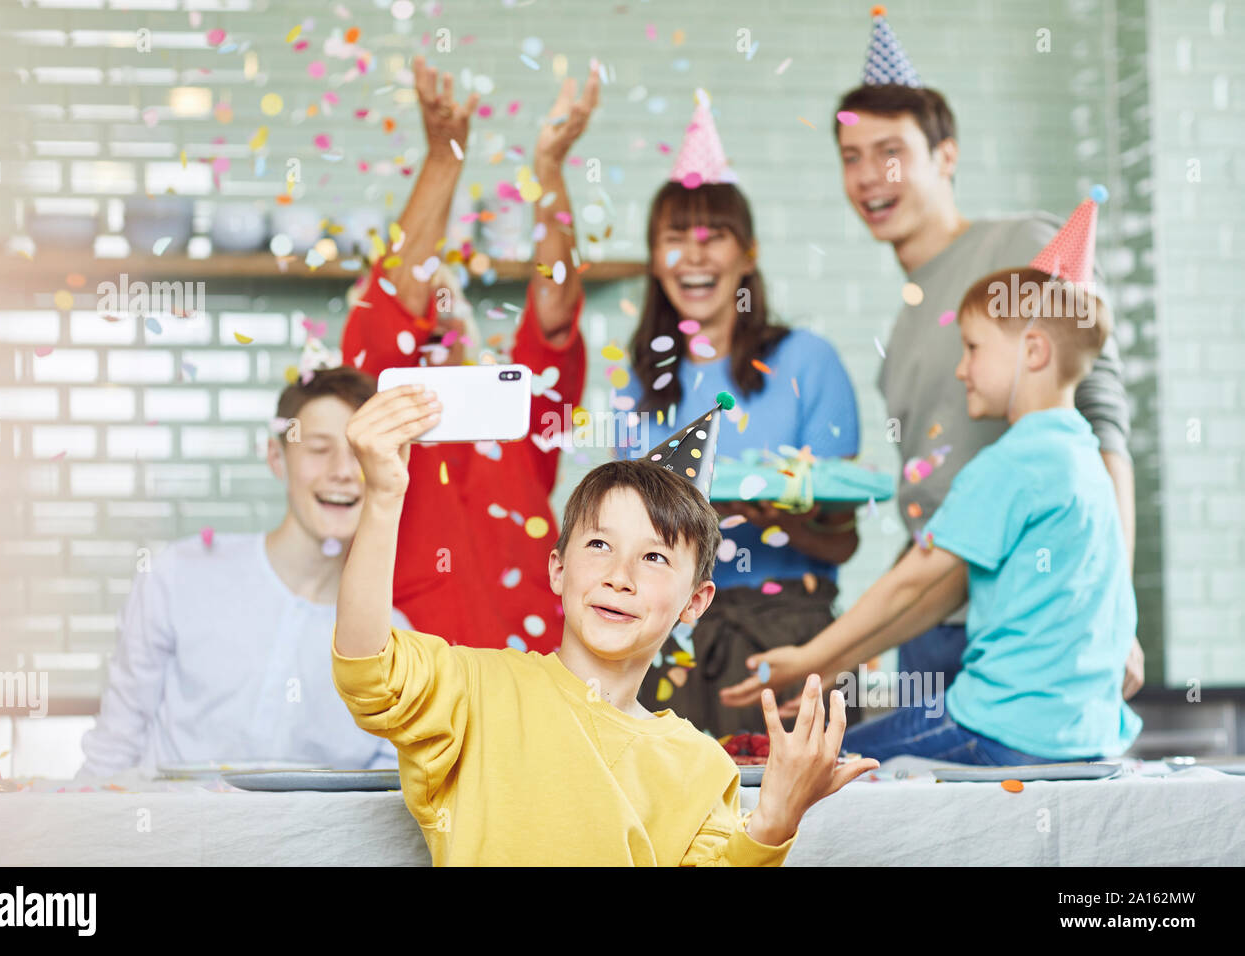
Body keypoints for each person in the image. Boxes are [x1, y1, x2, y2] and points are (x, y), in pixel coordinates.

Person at [332, 389, 878, 864]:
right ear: (558, 567)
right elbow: (369, 670)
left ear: (695, 601)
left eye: (655, 558)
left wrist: (775, 820)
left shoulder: (703, 767)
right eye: (599, 545)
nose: (621, 577)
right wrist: (382, 498)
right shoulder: (475, 690)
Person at [719, 210, 1143, 764]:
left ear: (1034, 352)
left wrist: (807, 657)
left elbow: (911, 585)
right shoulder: (1084, 459)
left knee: (816, 766)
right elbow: (941, 591)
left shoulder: (1012, 463)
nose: (962, 369)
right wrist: (830, 663)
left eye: (973, 348)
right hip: (1087, 737)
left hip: (999, 726)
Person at [830, 8, 1143, 704]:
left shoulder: (1023, 245)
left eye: (890, 152)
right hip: (931, 628)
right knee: (929, 811)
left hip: (1029, 618)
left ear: (946, 156)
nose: (868, 177)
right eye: (851, 157)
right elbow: (936, 500)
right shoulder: (907, 316)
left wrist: (1113, 604)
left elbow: (1105, 426)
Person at [615, 90, 862, 736]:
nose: (694, 255)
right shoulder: (636, 387)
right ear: (655, 258)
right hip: (662, 644)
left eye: (714, 236)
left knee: (800, 826)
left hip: (788, 638)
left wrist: (777, 517)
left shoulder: (809, 363)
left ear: (747, 253)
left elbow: (845, 538)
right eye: (675, 238)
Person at [339, 55, 597, 653]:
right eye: (425, 307)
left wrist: (549, 168)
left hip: (542, 687)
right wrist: (443, 157)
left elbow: (555, 307)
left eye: (451, 298)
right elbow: (394, 310)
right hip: (419, 695)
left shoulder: (518, 409)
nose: (440, 310)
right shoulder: (379, 410)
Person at [79, 364, 407, 777]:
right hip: (167, 835)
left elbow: (388, 790)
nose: (343, 471)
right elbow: (114, 747)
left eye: (360, 454)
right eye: (319, 449)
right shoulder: (180, 575)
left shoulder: (392, 638)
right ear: (277, 458)